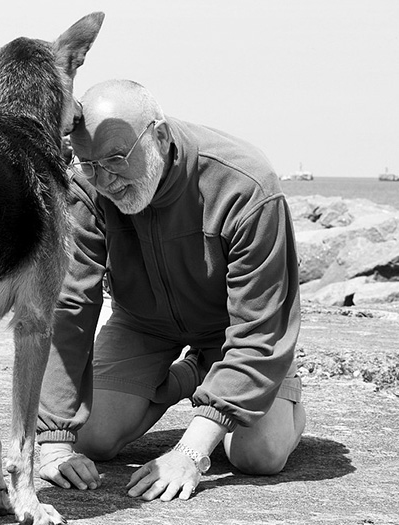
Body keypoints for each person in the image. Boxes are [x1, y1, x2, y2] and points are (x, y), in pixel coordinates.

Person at [37, 79, 306, 501]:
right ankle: (192, 375)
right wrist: (53, 436)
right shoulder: (85, 186)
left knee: (260, 456)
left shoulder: (246, 186)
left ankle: (266, 390)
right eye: (88, 163)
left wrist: (189, 451)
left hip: (234, 332)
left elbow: (259, 327)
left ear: (159, 137)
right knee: (90, 438)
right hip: (144, 325)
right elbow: (69, 304)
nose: (104, 180)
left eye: (116, 159)